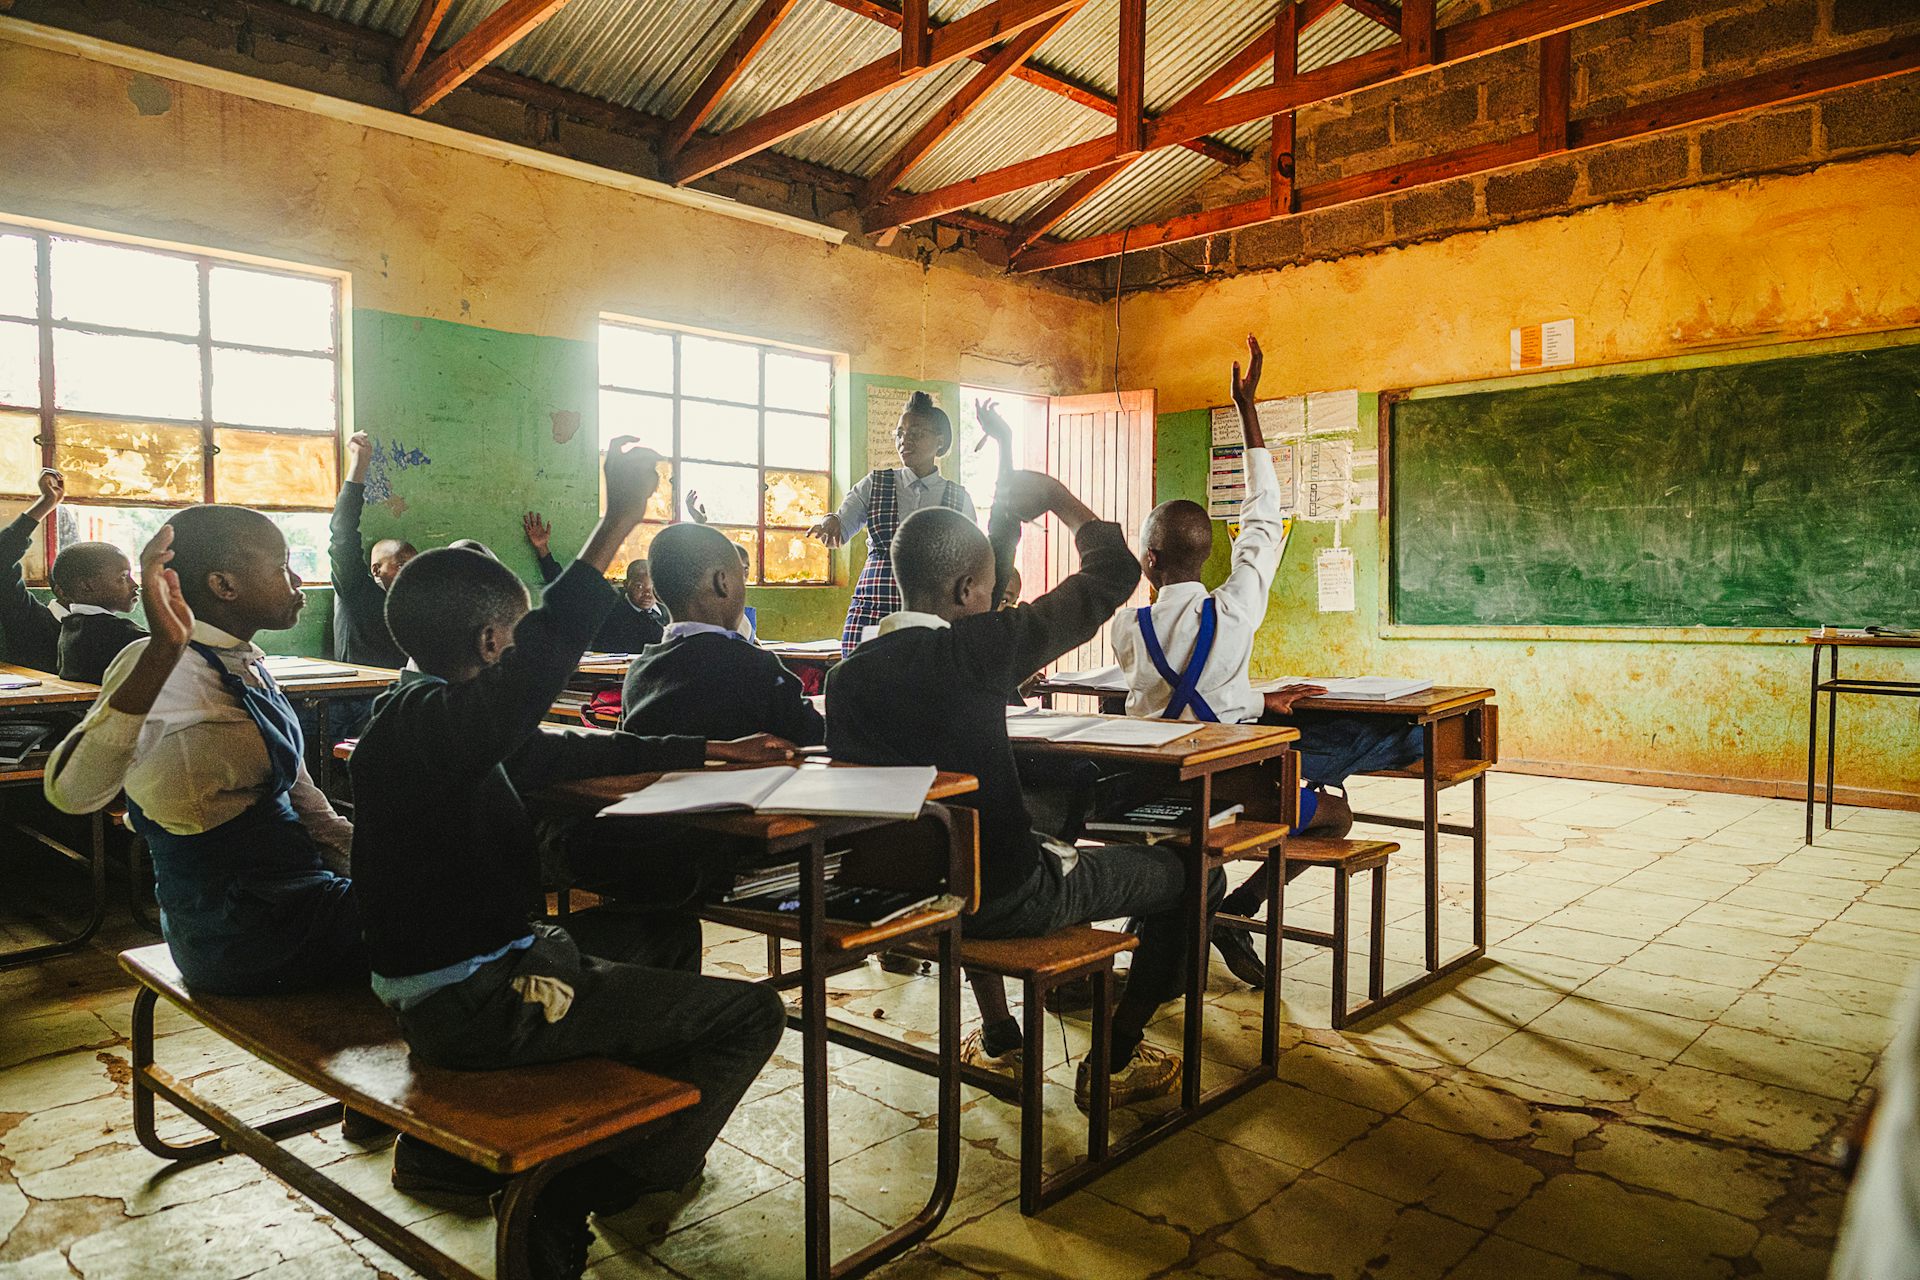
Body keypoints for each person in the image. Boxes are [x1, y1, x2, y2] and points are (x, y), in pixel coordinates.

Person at [351, 439, 791, 1279]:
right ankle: (579, 1186)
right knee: (751, 1017)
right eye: (514, 639)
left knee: (662, 931)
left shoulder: (437, 717)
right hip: (477, 1002)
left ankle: (622, 1130)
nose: (524, 652)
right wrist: (617, 517)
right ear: (491, 643)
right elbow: (545, 663)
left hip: (486, 975)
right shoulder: (427, 730)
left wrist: (710, 749)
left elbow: (569, 749)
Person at [826, 471, 1217, 1110]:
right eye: (989, 591)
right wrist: (1060, 499)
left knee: (1025, 813)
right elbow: (1112, 574)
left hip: (907, 894)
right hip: (1006, 898)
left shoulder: (844, 680)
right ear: (965, 589)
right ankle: (1116, 1058)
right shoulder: (979, 650)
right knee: (1196, 868)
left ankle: (1003, 1036)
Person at [1108, 336, 1420, 987]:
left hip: (1147, 793)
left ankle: (1200, 918)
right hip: (1232, 792)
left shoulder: (1125, 628)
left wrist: (1249, 699)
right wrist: (1247, 411)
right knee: (1335, 810)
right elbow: (1263, 519)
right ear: (1206, 555)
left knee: (1283, 763)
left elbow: (1166, 695)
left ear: (1149, 561)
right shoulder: (1237, 607)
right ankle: (1237, 909)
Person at [44, 507, 357, 995]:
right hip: (241, 932)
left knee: (449, 897)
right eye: (282, 566)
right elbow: (72, 792)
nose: (296, 580)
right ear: (223, 585)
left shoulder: (240, 661)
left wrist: (383, 871)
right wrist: (162, 650)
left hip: (294, 902)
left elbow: (306, 804)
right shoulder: (163, 666)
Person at [621, 522, 823, 747]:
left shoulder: (638, 673)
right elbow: (813, 735)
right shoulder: (755, 667)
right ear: (723, 583)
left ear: (656, 593)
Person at [808, 392, 978, 656]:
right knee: (859, 678)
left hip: (932, 611)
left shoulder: (958, 499)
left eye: (916, 434)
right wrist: (830, 522)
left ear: (940, 441)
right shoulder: (875, 484)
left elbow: (970, 558)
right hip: (874, 605)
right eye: (899, 434)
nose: (904, 441)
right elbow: (841, 526)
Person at [523, 512, 666, 652]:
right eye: (639, 586)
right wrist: (543, 548)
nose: (647, 594)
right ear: (626, 584)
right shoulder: (609, 605)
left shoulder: (669, 611)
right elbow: (567, 589)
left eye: (652, 587)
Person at [331, 432, 415, 668]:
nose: (411, 573)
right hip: (357, 696)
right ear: (376, 570)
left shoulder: (412, 605)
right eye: (401, 566)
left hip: (400, 692)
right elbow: (342, 533)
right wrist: (359, 465)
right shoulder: (355, 591)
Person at [0, 469, 68, 671]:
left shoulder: (114, 629)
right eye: (121, 578)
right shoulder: (32, 620)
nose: (134, 585)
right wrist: (45, 504)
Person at [53, 539, 146, 684]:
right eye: (123, 577)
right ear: (87, 586)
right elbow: (177, 651)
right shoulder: (117, 632)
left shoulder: (71, 627)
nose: (134, 585)